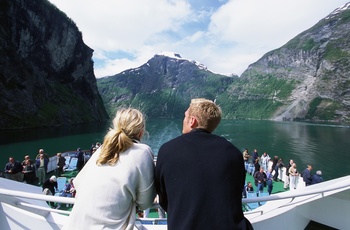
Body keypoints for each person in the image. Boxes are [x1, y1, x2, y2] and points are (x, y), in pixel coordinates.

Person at [155, 98, 253, 229]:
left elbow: (163, 197)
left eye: (185, 116)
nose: (183, 120)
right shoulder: (233, 153)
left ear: (192, 121)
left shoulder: (167, 150)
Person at [63, 108, 156, 230]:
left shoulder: (102, 150)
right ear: (141, 132)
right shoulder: (142, 152)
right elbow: (146, 203)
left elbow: (78, 184)